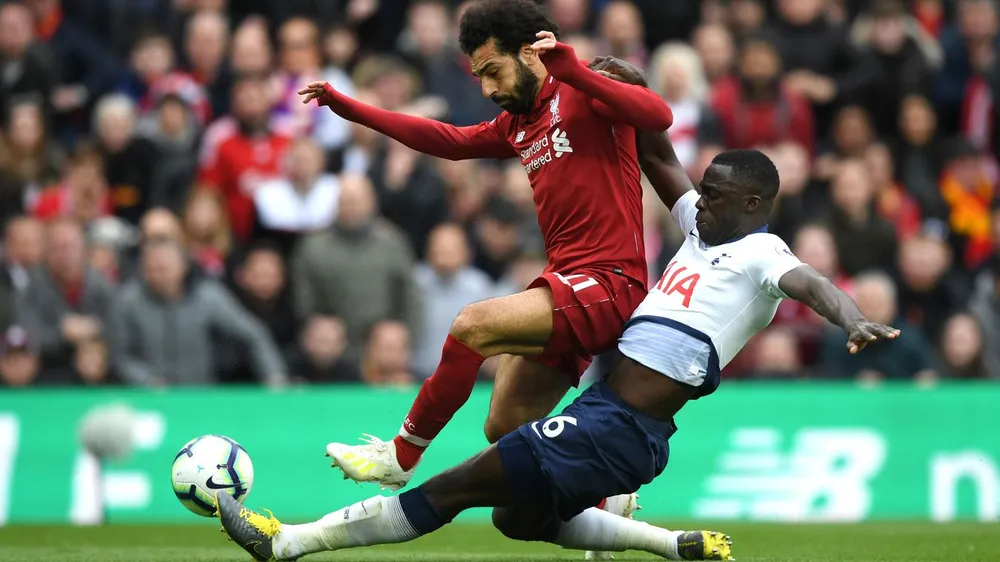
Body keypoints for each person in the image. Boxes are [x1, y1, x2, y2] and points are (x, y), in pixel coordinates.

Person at [217, 57, 899, 562]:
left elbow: (810, 282)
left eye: (718, 194)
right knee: (516, 519)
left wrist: (850, 316)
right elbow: (654, 147)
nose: (703, 198)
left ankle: (290, 543)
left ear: (753, 204)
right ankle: (671, 545)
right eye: (707, 188)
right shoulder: (699, 226)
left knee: (457, 487)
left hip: (622, 425)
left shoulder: (762, 251)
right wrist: (627, 82)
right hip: (611, 415)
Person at [298, 0, 673, 522]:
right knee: (505, 427)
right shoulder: (517, 123)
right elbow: (447, 141)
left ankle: (400, 456)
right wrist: (352, 109)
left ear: (530, 53)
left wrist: (572, 70)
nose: (489, 89)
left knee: (472, 326)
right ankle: (610, 499)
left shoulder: (584, 91)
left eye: (493, 71)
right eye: (478, 76)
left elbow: (659, 116)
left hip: (610, 282)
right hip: (565, 284)